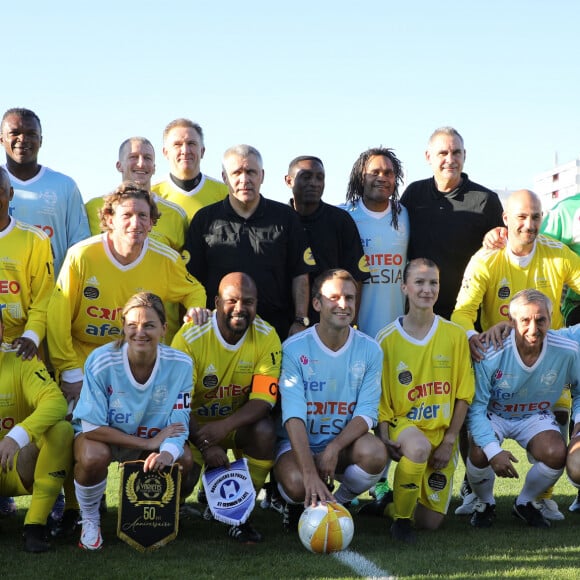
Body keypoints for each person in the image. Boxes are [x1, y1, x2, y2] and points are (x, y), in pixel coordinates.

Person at [451, 188, 580, 520]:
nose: (530, 224)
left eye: (536, 216)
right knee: (475, 424)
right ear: (506, 220)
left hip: (546, 357)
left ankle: (540, 498)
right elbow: (462, 313)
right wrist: (475, 339)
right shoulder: (486, 258)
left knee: (559, 422)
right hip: (498, 362)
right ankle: (478, 493)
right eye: (521, 217)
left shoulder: (559, 254)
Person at [47, 182, 207, 410]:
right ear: (110, 219)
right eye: (127, 215)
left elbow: (195, 290)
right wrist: (70, 371)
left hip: (137, 363)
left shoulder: (166, 260)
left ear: (152, 222)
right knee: (78, 433)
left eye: (143, 215)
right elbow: (57, 317)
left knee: (140, 437)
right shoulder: (81, 256)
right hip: (85, 361)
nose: (135, 223)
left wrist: (194, 308)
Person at [72, 292, 193, 550]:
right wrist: (147, 443)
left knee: (184, 460)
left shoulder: (181, 364)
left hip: (150, 441)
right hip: (106, 439)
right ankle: (90, 518)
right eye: (132, 325)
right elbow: (91, 427)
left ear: (164, 328)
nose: (140, 332)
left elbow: (179, 422)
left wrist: (167, 454)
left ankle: (165, 515)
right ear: (123, 328)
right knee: (93, 455)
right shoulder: (101, 360)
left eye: (149, 325)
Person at [369, 258, 474, 543]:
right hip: (406, 426)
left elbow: (464, 394)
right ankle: (401, 523)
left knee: (430, 522)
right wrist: (384, 434)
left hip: (441, 435)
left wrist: (450, 440)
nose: (427, 289)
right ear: (404, 287)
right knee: (417, 448)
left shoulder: (454, 335)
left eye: (433, 283)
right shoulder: (386, 339)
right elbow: (379, 397)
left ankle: (389, 507)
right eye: (419, 282)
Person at [171, 272, 281, 543]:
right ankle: (177, 507)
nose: (240, 308)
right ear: (217, 302)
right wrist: (206, 445)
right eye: (232, 300)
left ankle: (241, 514)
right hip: (192, 427)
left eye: (248, 301)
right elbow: (178, 400)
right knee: (182, 468)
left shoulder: (267, 337)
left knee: (265, 432)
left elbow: (263, 401)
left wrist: (223, 428)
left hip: (234, 426)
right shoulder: (190, 337)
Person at [274, 269, 387, 531]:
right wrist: (311, 473)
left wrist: (334, 447)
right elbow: (293, 415)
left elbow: (367, 412)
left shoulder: (370, 349)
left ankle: (337, 503)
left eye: (350, 298)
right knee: (297, 484)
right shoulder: (293, 348)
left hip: (342, 445)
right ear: (317, 303)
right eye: (334, 297)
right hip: (298, 445)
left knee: (375, 453)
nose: (343, 305)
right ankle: (295, 501)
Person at [466, 289, 580, 529]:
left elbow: (579, 390)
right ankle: (485, 503)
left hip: (533, 415)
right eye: (525, 320)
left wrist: (578, 423)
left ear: (551, 318)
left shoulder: (568, 350)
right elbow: (476, 410)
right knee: (478, 450)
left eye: (541, 320)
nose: (533, 328)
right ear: (510, 321)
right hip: (493, 413)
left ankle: (525, 502)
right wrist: (493, 451)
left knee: (556, 452)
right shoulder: (490, 352)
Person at [184, 144, 313, 340]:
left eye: (251, 172)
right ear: (225, 177)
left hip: (275, 331)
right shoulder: (205, 219)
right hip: (218, 333)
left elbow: (300, 274)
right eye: (237, 172)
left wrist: (300, 320)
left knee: (266, 373)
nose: (245, 179)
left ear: (262, 175)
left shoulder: (286, 217)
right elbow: (190, 278)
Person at [401, 127, 503, 320]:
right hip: (419, 314)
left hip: (467, 315)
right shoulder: (414, 195)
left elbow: (504, 256)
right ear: (428, 156)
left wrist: (499, 237)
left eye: (456, 152)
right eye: (443, 153)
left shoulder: (486, 200)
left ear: (464, 155)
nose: (450, 159)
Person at [0, 308, 73, 552]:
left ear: (2, 330)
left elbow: (56, 402)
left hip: (17, 462)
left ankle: (35, 526)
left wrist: (16, 437)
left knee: (62, 430)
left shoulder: (20, 358)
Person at [0, 108, 90, 276]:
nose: (23, 139)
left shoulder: (64, 185)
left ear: (40, 140)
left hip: (52, 293)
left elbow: (80, 245)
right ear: (1, 139)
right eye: (15, 133)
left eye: (31, 134)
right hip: (6, 293)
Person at [285, 155, 369, 325]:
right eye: (306, 177)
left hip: (330, 325)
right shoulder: (279, 220)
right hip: (285, 323)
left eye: (319, 177)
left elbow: (356, 278)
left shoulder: (340, 221)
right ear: (289, 181)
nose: (314, 183)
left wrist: (351, 324)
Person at [343, 147, 409, 339]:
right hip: (354, 333)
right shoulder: (344, 215)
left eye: (388, 173)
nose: (382, 177)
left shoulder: (405, 214)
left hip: (398, 332)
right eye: (374, 172)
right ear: (361, 177)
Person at [85, 137, 189, 252]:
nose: (141, 163)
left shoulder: (176, 215)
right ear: (119, 165)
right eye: (133, 157)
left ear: (154, 168)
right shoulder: (93, 208)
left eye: (147, 158)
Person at [0, 167, 54, 360]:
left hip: (21, 347)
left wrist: (31, 337)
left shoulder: (35, 240)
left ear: (11, 194)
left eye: (0, 191)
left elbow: (43, 300)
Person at [152, 118, 228, 221]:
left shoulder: (224, 194)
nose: (185, 150)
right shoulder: (152, 194)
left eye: (191, 143)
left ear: (202, 151)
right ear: (165, 152)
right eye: (177, 144)